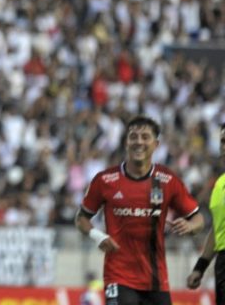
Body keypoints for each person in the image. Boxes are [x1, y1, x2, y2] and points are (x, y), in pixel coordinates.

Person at [75, 116, 204, 305]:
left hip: (156, 280)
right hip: (118, 276)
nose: (139, 142)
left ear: (156, 144)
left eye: (145, 137)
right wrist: (97, 235)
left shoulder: (167, 180)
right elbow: (81, 218)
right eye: (133, 137)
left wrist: (190, 226)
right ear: (126, 142)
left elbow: (198, 219)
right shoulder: (105, 180)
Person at [186, 122, 225, 302]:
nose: (224, 146)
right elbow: (218, 230)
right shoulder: (219, 185)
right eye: (222, 141)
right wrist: (200, 267)